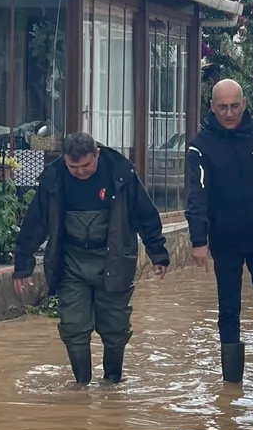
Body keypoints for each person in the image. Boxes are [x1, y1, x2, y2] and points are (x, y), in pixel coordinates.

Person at [13, 132, 170, 386]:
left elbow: (146, 215)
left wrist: (158, 253)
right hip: (70, 261)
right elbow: (35, 223)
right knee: (73, 325)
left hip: (114, 258)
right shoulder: (54, 178)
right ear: (65, 160)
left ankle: (112, 382)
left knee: (115, 325)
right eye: (73, 167)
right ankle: (81, 385)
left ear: (97, 154)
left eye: (86, 165)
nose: (80, 172)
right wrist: (23, 265)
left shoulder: (120, 173)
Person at [186, 78, 253, 385]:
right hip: (226, 239)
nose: (229, 113)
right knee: (229, 308)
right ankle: (231, 387)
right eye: (222, 107)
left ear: (244, 104)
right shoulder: (201, 145)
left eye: (235, 106)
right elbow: (197, 194)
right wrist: (198, 240)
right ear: (212, 107)